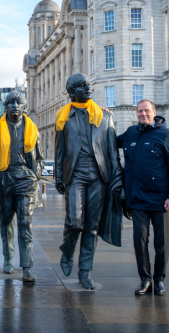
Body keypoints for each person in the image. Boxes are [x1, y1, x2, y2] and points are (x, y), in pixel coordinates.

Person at [55, 73, 123, 289]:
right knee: (74, 221)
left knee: (91, 226)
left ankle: (85, 271)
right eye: (83, 86)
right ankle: (67, 252)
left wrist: (117, 179)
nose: (88, 88)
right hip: (75, 175)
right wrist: (58, 175)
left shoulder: (104, 116)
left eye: (89, 85)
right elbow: (60, 150)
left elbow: (112, 151)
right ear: (72, 91)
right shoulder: (63, 117)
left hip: (99, 177)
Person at [117, 99, 169, 296]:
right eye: (140, 111)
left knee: (161, 242)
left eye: (146, 111)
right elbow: (108, 139)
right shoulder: (130, 133)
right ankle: (145, 279)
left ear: (154, 112)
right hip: (137, 199)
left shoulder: (167, 135)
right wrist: (102, 116)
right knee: (139, 239)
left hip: (161, 200)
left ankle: (159, 278)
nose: (143, 114)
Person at [0, 91, 44, 283]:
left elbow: (40, 158)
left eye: (19, 103)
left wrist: (35, 174)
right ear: (6, 106)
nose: (15, 106)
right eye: (11, 102)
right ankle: (8, 258)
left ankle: (27, 267)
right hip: (4, 180)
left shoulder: (33, 129)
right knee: (6, 222)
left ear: (24, 107)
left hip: (26, 179)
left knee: (25, 223)